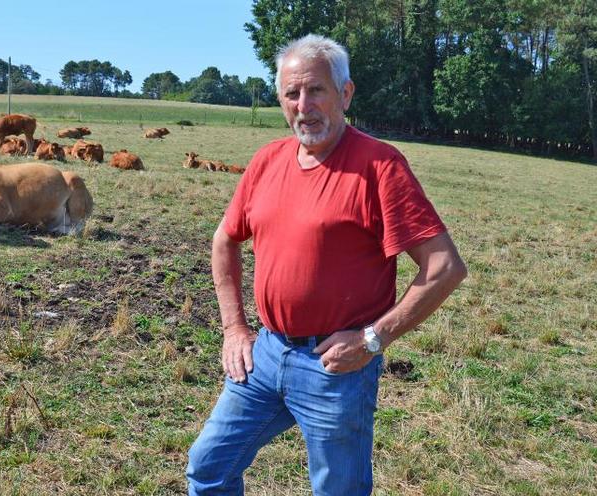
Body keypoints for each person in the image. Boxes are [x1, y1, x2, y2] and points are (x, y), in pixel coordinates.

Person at [186, 34, 467, 495]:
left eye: (316, 90)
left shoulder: (380, 166)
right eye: (291, 94)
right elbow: (225, 240)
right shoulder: (267, 160)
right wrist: (234, 329)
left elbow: (444, 268)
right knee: (208, 468)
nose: (304, 105)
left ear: (346, 93)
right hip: (267, 353)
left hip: (335, 365)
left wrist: (374, 338)